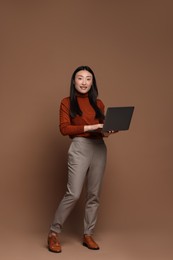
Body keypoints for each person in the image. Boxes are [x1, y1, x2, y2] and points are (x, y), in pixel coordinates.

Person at [47, 65, 116, 253]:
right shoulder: (67, 102)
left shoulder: (98, 103)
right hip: (80, 147)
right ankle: (54, 233)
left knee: (94, 194)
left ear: (92, 82)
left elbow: (100, 128)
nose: (84, 82)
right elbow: (64, 129)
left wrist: (107, 130)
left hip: (99, 148)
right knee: (74, 193)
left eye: (88, 78)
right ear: (74, 81)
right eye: (80, 78)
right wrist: (91, 128)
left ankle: (88, 234)